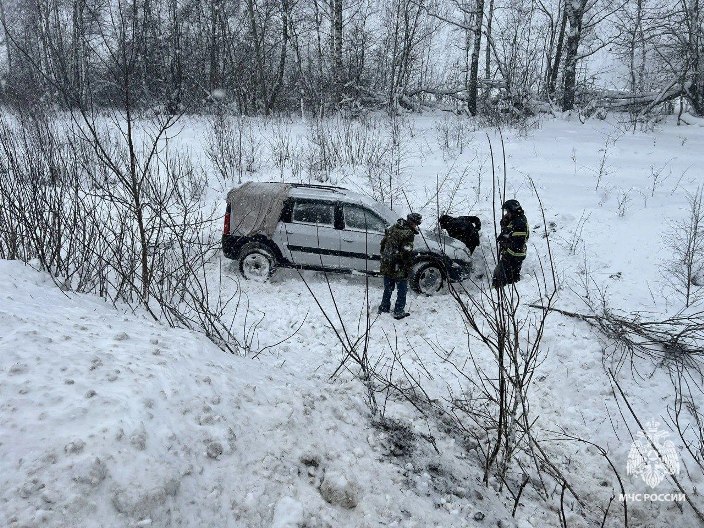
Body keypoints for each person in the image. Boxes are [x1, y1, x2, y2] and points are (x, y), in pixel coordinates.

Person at [378, 212, 422, 319]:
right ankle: (398, 311)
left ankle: (384, 307)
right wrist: (408, 265)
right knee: (402, 289)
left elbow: (383, 243)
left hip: (387, 262)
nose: (416, 226)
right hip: (399, 265)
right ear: (413, 222)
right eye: (416, 223)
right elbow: (406, 252)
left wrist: (386, 257)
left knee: (388, 288)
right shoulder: (408, 234)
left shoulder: (393, 227)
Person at [492, 199, 529, 289]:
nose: (507, 214)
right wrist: (504, 222)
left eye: (508, 211)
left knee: (499, 274)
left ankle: (497, 291)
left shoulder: (519, 223)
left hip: (514, 255)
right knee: (511, 277)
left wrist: (505, 244)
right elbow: (508, 231)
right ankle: (509, 290)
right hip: (513, 254)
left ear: (513, 210)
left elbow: (518, 243)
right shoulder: (516, 219)